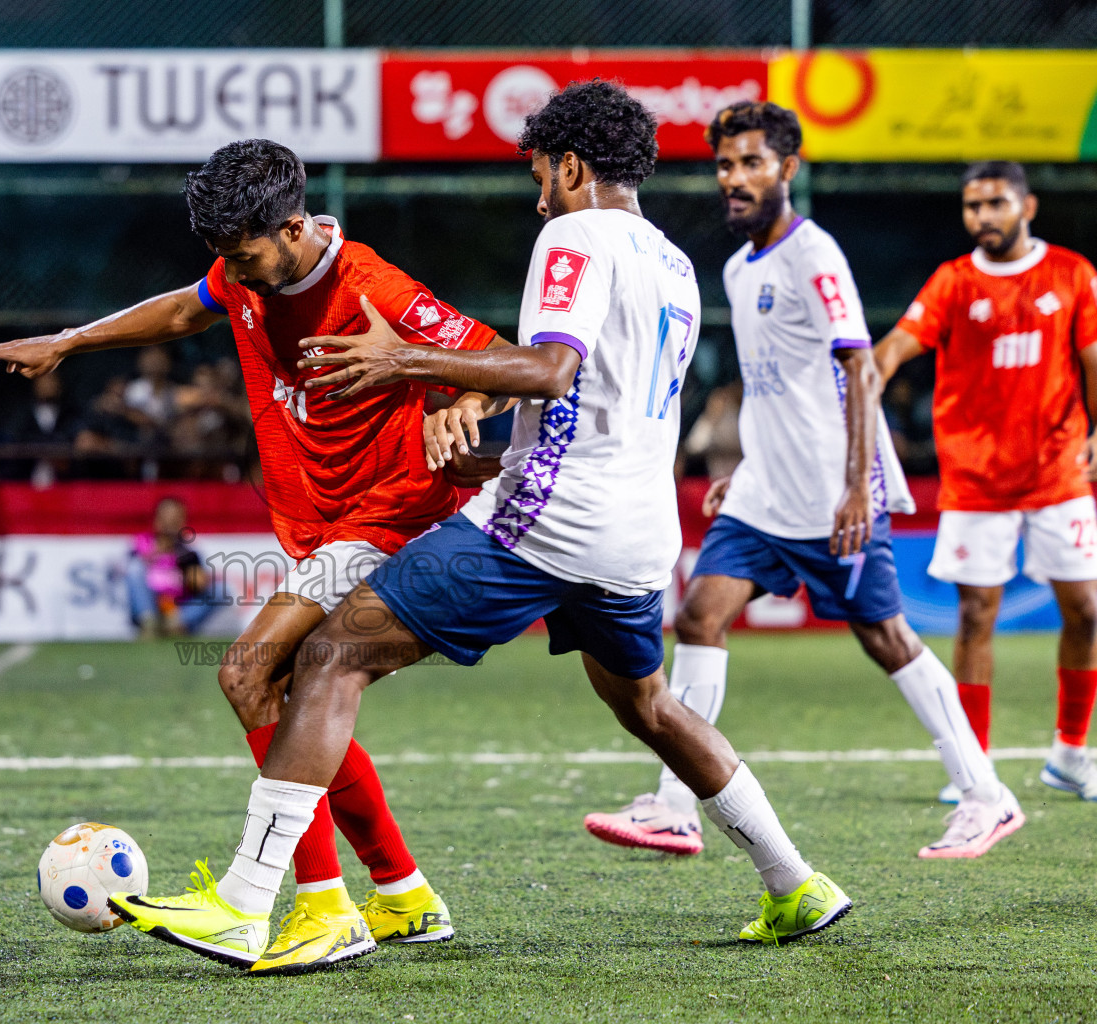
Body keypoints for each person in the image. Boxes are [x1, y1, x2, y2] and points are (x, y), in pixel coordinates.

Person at [109, 82, 852, 976]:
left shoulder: (574, 237)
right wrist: (490, 459)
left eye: (541, 176)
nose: (539, 199)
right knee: (652, 707)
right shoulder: (675, 263)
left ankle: (250, 902)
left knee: (326, 659)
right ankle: (794, 880)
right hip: (639, 534)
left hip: (546, 528)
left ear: (571, 166)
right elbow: (602, 411)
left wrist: (403, 360)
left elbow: (547, 370)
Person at [0, 138, 506, 972]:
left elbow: (494, 357)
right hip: (323, 521)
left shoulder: (370, 285)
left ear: (293, 229)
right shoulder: (245, 269)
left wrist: (464, 402)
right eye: (222, 256)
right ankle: (402, 894)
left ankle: (321, 908)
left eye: (243, 255)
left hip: (389, 512)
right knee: (299, 702)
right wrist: (69, 341)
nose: (233, 272)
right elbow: (184, 311)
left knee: (247, 673)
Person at [580, 101, 1020, 862]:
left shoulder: (814, 255)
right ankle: (676, 806)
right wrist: (749, 466)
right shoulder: (737, 267)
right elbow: (776, 386)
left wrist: (858, 488)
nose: (735, 178)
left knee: (886, 636)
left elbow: (859, 368)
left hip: (830, 491)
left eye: (752, 163)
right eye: (725, 165)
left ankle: (985, 795)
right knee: (701, 616)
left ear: (787, 168)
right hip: (765, 494)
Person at [875, 160, 1097, 803]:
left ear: (1028, 207)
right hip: (977, 477)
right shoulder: (953, 281)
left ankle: (1071, 754)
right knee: (976, 615)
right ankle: (974, 766)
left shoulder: (1072, 273)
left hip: (1057, 469)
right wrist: (871, 372)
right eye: (973, 206)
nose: (983, 216)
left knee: (1087, 609)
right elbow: (899, 344)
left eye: (996, 203)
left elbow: (1092, 360)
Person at [127, 497, 219, 637]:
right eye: (165, 518)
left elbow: (199, 585)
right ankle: (149, 622)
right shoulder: (143, 543)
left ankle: (173, 625)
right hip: (151, 604)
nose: (169, 524)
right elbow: (133, 575)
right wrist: (158, 552)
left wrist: (187, 566)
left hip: (177, 610)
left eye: (175, 520)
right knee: (135, 568)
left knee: (220, 591)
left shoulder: (188, 552)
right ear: (157, 520)